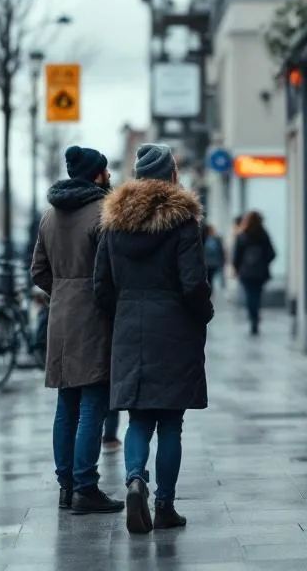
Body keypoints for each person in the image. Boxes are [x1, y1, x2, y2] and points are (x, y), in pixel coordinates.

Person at [94, 143, 212, 535]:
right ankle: (164, 507)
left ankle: (133, 480)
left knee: (138, 419)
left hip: (130, 328)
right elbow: (193, 283)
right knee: (171, 425)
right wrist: (203, 314)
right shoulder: (183, 222)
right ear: (171, 176)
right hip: (174, 329)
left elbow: (101, 286)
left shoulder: (113, 223)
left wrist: (123, 314)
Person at [30, 145, 125, 515]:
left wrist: (64, 291)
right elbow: (111, 272)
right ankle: (87, 486)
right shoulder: (103, 212)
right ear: (98, 174)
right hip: (95, 316)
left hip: (61, 317)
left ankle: (66, 486)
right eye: (105, 170)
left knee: (65, 405)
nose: (109, 176)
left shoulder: (49, 215)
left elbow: (38, 270)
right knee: (94, 403)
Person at [232, 211, 276, 335]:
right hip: (260, 272)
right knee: (256, 295)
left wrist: (236, 268)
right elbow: (272, 253)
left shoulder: (242, 236)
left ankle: (253, 317)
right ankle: (255, 317)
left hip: (246, 272)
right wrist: (264, 262)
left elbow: (236, 256)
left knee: (249, 295)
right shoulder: (263, 235)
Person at [202, 224, 225, 291]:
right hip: (211, 263)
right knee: (210, 279)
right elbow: (220, 251)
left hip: (209, 263)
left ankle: (209, 291)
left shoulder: (204, 239)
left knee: (209, 279)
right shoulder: (215, 239)